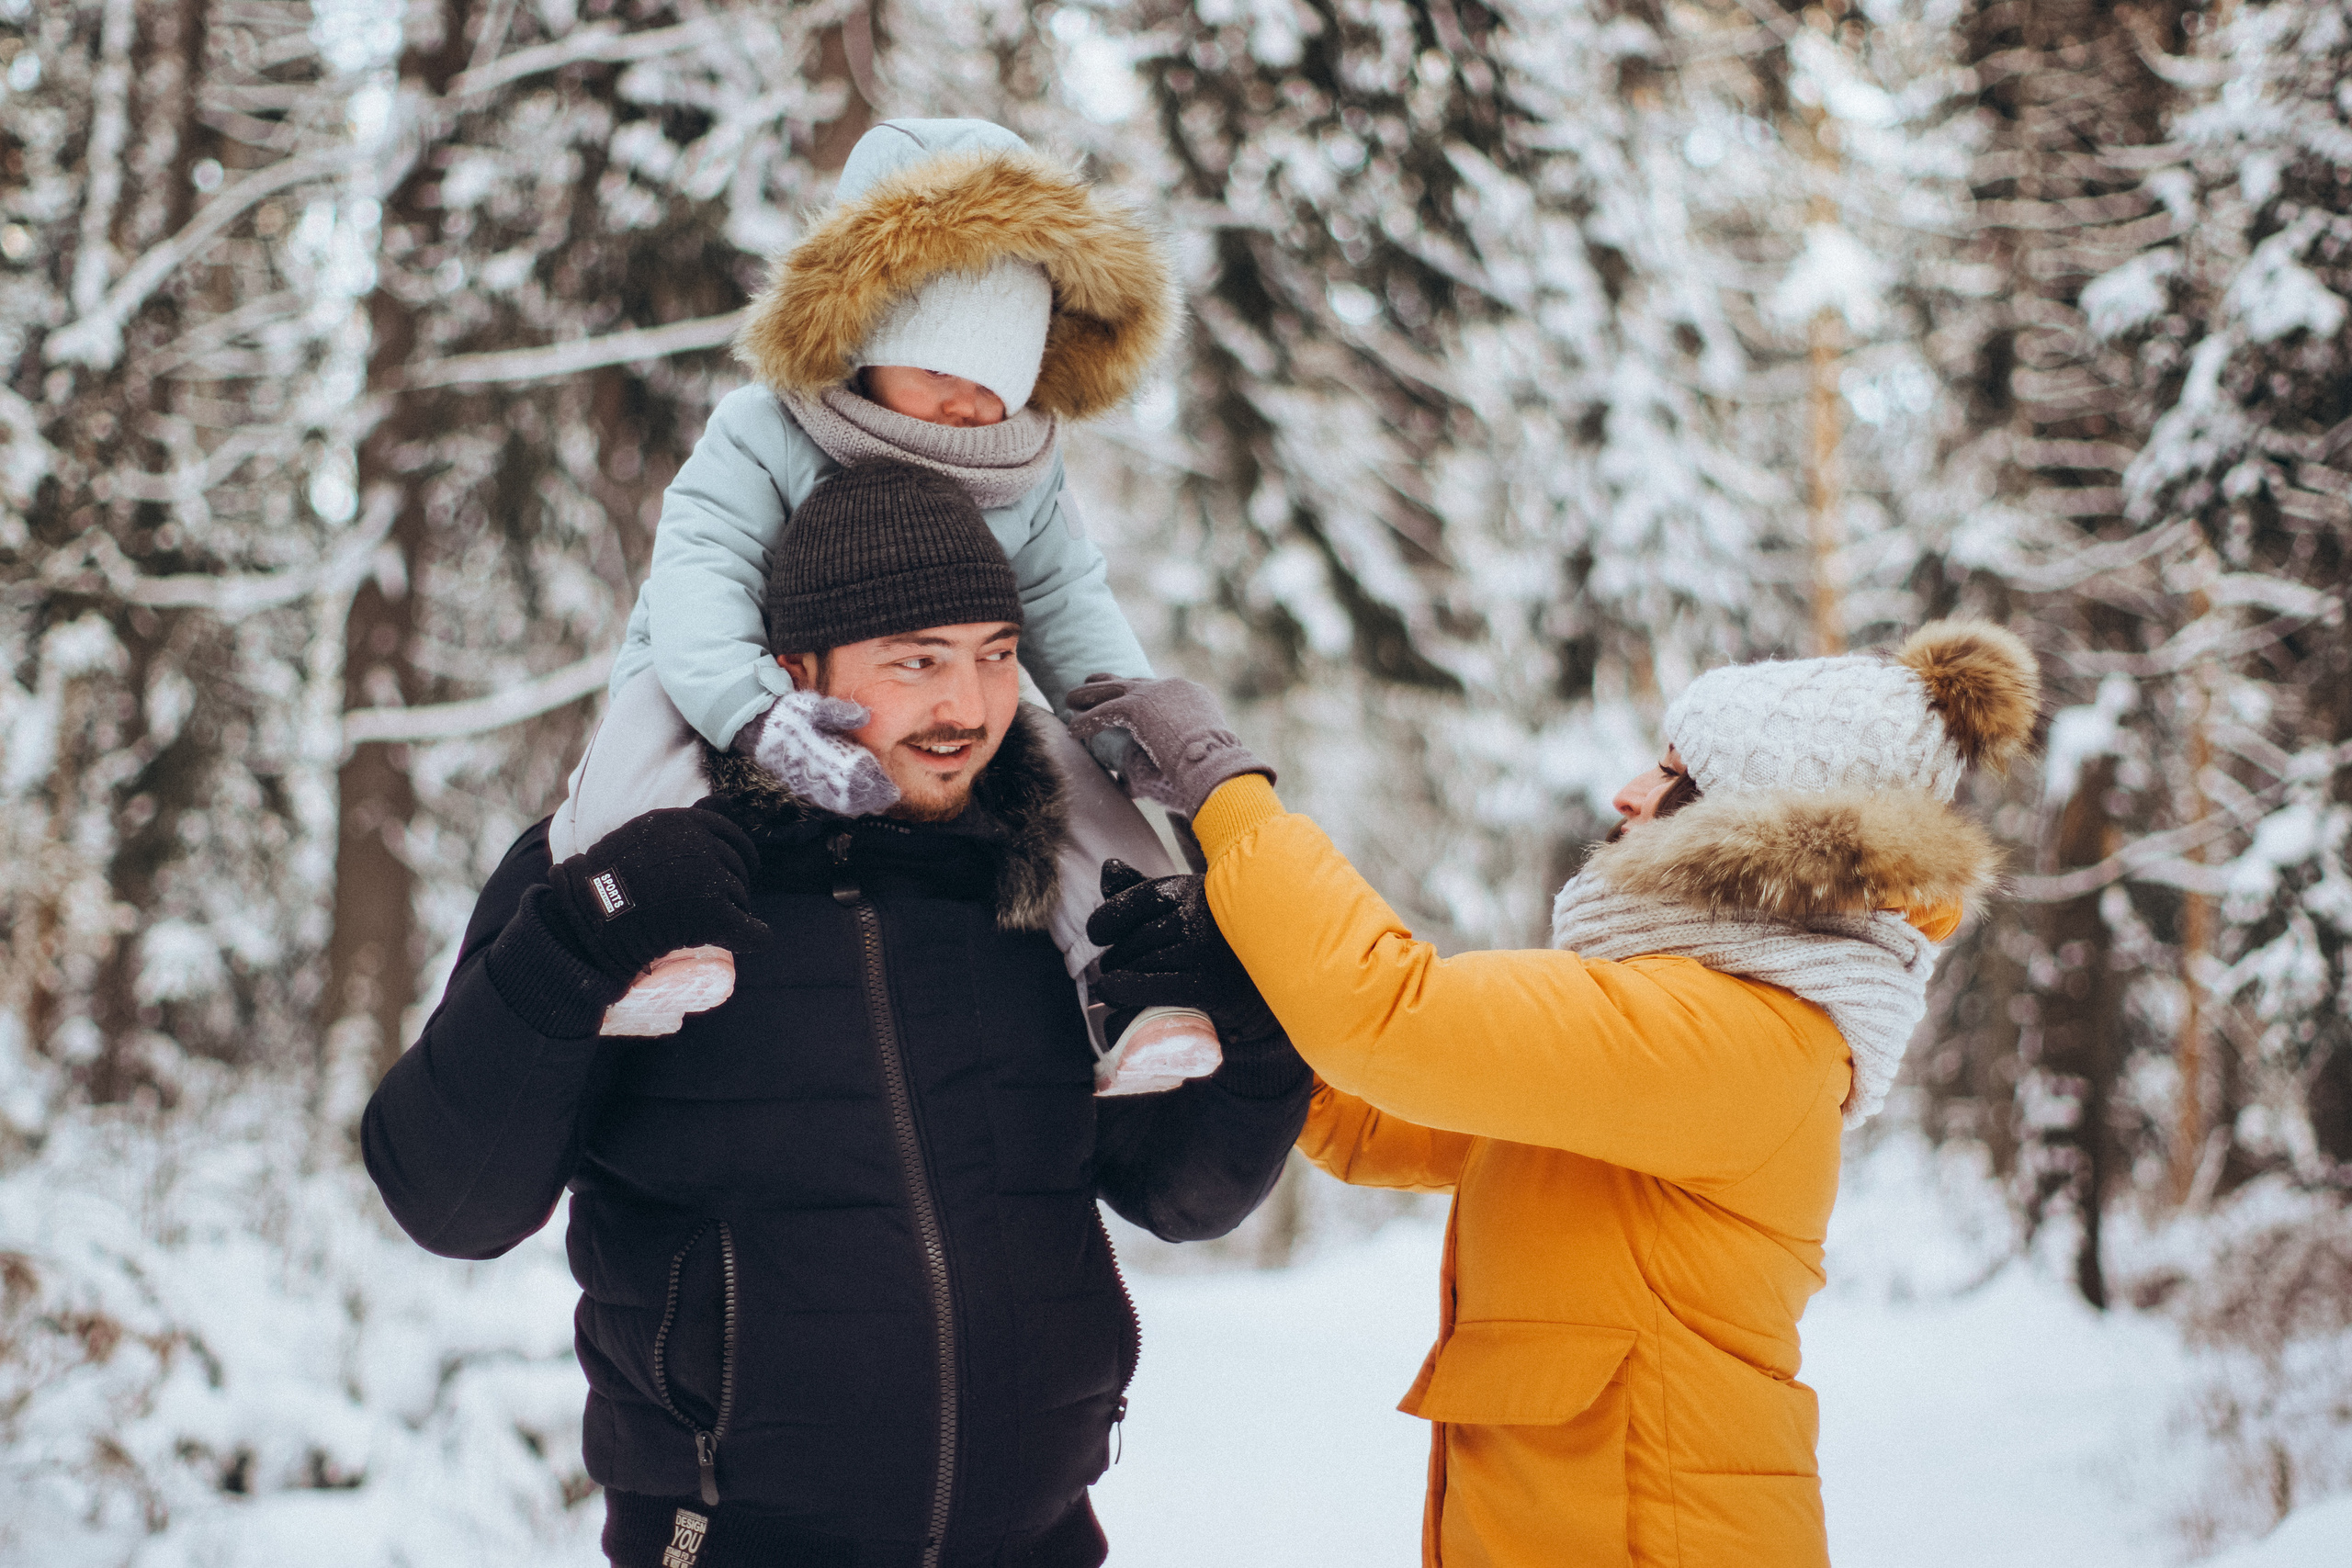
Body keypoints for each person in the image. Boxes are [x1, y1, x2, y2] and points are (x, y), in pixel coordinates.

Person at [362, 462, 1309, 1568]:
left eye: (995, 657)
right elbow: (448, 1201)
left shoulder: (1043, 889)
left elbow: (1182, 1193)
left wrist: (1250, 1022)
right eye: (916, 662)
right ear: (790, 671)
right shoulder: (630, 867)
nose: (968, 708)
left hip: (1040, 1542)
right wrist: (578, 936)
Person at [1069, 623, 2041, 1568]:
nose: (1627, 792)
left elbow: (1390, 1016)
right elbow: (1378, 1110)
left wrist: (1225, 793)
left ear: (1760, 824)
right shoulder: (1681, 1031)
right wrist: (1254, 1010)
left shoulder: (1736, 1039)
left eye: (1671, 775)